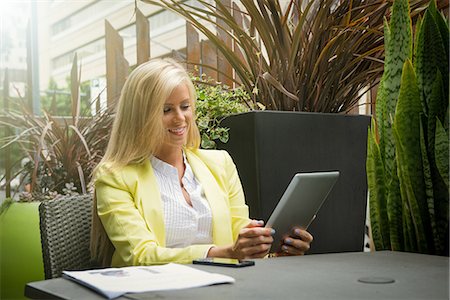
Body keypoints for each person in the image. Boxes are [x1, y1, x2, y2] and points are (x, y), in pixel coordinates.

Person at [90, 58, 313, 267]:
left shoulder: (220, 163)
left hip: (223, 288)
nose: (180, 118)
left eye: (185, 106)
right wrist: (222, 253)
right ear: (140, 116)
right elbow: (140, 255)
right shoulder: (114, 176)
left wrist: (271, 251)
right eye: (166, 110)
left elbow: (238, 236)